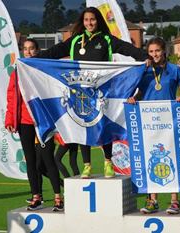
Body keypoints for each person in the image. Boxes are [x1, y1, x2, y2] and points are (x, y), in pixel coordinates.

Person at [37, 6, 149, 179]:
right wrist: (35, 59)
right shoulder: (75, 40)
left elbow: (127, 48)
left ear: (98, 21)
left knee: (103, 126)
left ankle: (108, 162)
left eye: (93, 19)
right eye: (86, 20)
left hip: (102, 93)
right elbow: (56, 51)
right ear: (82, 22)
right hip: (79, 92)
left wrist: (143, 56)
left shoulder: (106, 39)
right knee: (83, 126)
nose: (89, 23)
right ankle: (87, 165)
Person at [127, 37, 180, 215]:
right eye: (151, 51)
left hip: (169, 120)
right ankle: (152, 200)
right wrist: (133, 99)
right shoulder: (144, 72)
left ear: (164, 51)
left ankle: (174, 201)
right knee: (150, 157)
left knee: (172, 155)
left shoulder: (175, 70)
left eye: (157, 51)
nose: (154, 54)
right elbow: (138, 94)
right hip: (148, 123)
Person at [5, 38, 63, 212]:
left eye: (31, 49)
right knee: (30, 161)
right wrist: (9, 119)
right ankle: (36, 197)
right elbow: (11, 97)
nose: (28, 52)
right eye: (25, 49)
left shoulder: (42, 70)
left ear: (37, 51)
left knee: (48, 160)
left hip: (42, 122)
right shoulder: (16, 72)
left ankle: (58, 198)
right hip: (24, 122)